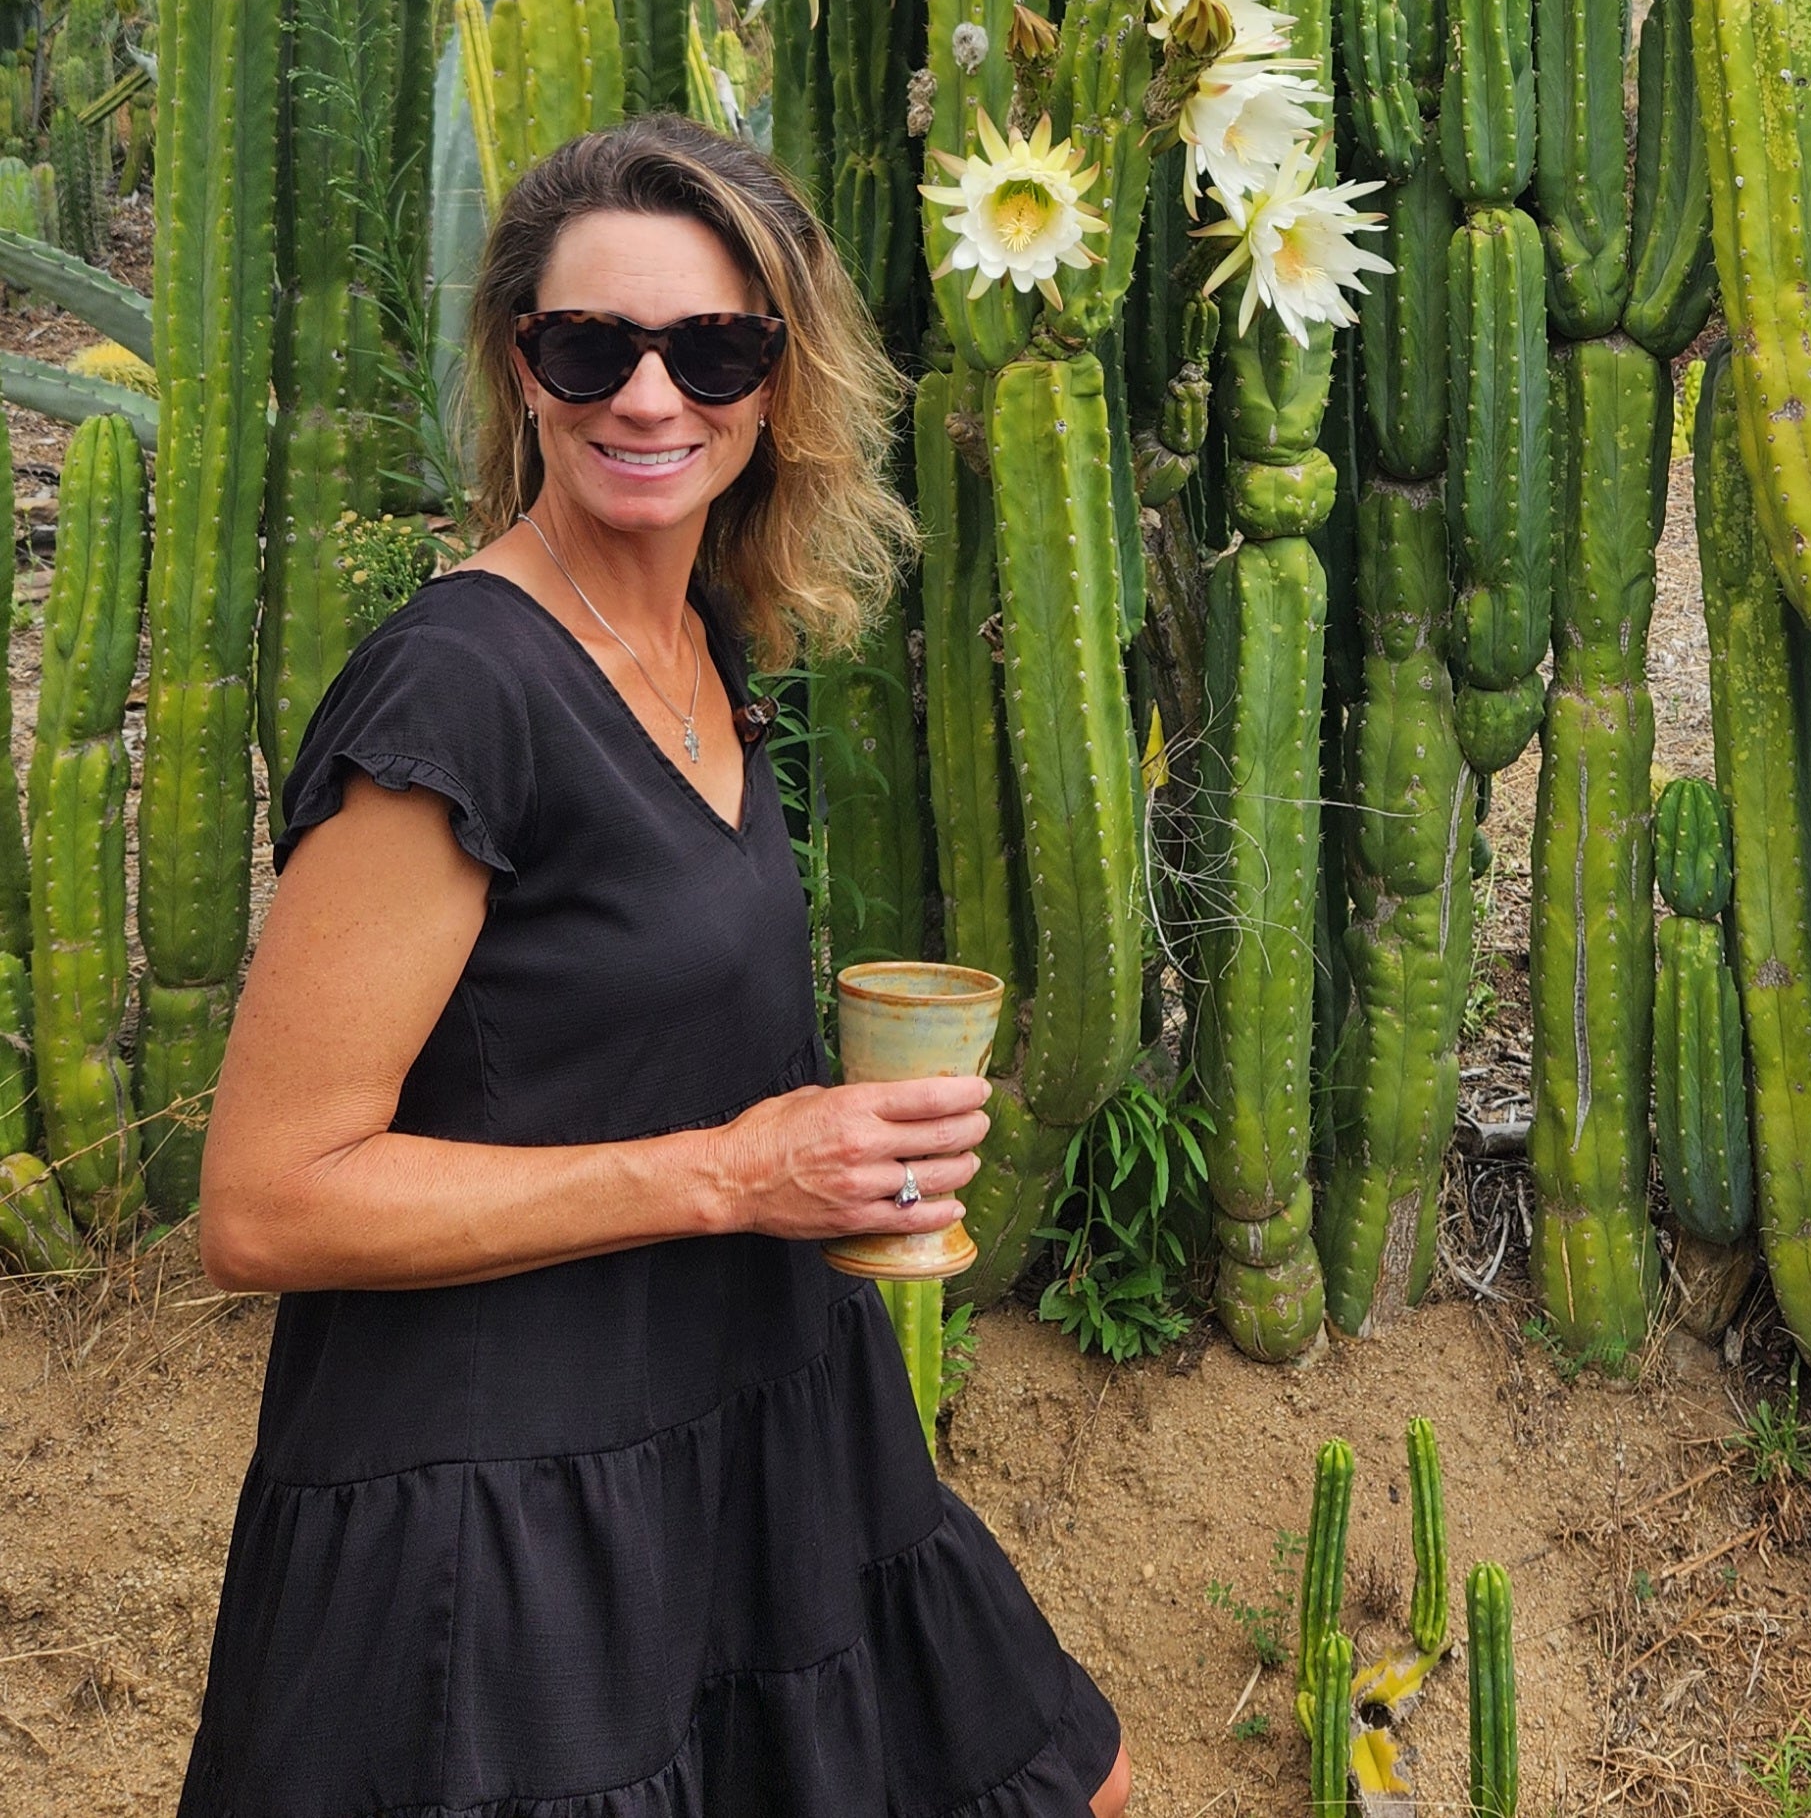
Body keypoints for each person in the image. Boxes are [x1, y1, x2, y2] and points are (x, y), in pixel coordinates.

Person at [182, 113, 1130, 1818]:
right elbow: (264, 1205)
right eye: (588, 346)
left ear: (779, 384)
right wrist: (735, 1171)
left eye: (710, 349)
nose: (648, 397)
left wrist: (823, 1161)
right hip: (510, 1516)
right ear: (519, 369)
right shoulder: (455, 692)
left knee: (1063, 1773)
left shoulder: (699, 641)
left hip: (752, 1425)